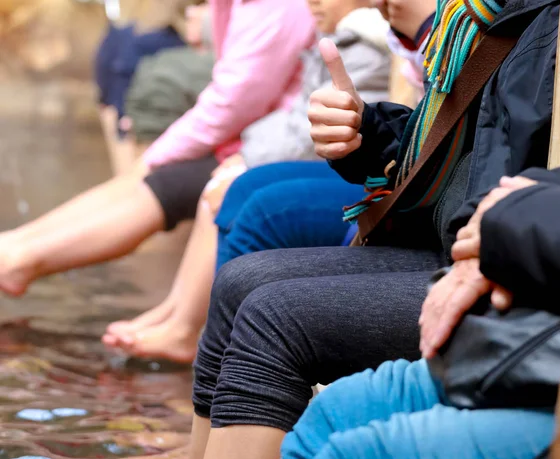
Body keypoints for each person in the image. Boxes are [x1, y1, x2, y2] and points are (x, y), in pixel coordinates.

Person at [179, 0, 559, 459]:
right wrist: (366, 134)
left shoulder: (555, 19)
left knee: (276, 318)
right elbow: (470, 157)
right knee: (240, 283)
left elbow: (527, 177)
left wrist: (518, 219)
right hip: (472, 242)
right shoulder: (495, 14)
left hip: (520, 272)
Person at [214, 153, 560, 459]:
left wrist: (509, 216)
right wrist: (374, 138)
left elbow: (499, 176)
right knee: (338, 410)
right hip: (559, 311)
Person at [102, 0, 393, 361]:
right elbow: (297, 114)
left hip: (352, 169)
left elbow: (316, 131)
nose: (312, 1)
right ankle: (179, 314)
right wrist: (246, 154)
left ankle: (202, 336)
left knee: (240, 196)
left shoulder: (365, 43)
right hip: (301, 150)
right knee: (225, 186)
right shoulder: (336, 35)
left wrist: (249, 156)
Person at [0, 0, 314, 300]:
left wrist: (155, 156)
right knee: (146, 172)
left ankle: (22, 258)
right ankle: (16, 248)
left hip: (269, 144)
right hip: (255, 133)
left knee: (164, 179)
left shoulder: (277, 6)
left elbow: (235, 100)